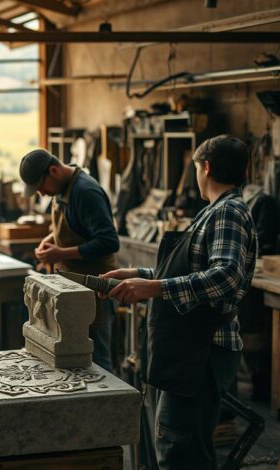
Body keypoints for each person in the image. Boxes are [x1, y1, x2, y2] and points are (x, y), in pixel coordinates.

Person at [102, 135, 257, 470]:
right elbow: (189, 270)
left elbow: (226, 275)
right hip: (189, 349)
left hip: (202, 350)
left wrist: (153, 287)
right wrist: (138, 274)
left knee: (181, 451)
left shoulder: (228, 212)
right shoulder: (214, 212)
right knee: (173, 442)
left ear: (206, 167)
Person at [19, 148, 120, 371]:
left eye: (41, 187)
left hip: (95, 290)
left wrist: (60, 253)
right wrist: (51, 239)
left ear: (53, 171)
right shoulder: (62, 190)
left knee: (97, 361)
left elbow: (109, 241)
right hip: (73, 288)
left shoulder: (85, 192)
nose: (42, 194)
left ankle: (108, 405)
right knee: (72, 357)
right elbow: (75, 227)